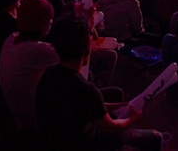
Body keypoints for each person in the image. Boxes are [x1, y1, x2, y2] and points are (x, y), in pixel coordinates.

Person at [36, 14, 161, 151]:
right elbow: (110, 128)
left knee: (115, 94)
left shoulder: (48, 75)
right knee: (155, 137)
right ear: (86, 50)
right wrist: (132, 118)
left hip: (56, 141)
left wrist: (116, 106)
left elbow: (83, 107)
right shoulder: (86, 90)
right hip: (87, 144)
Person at [0, 0, 58, 132]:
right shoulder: (36, 51)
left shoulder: (11, 39)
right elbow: (75, 56)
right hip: (33, 122)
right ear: (42, 22)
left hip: (15, 114)